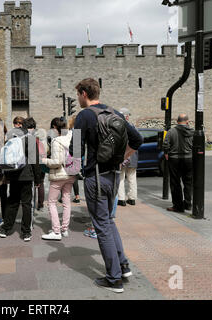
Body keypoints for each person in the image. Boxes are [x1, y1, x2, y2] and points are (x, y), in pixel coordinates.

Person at [70, 78, 143, 293]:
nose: (78, 99)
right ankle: (123, 265)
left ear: (84, 93)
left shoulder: (83, 116)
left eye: (78, 95)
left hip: (96, 177)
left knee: (101, 226)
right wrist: (122, 157)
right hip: (113, 175)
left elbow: (75, 150)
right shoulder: (114, 113)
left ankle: (114, 279)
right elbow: (137, 139)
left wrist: (73, 174)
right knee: (108, 221)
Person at [0, 117, 41, 242]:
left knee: (13, 201)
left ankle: (5, 228)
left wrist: (7, 175)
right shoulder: (30, 139)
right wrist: (38, 179)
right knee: (27, 204)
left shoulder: (13, 137)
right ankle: (26, 232)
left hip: (14, 174)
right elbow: (35, 161)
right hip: (27, 175)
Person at [41, 117, 75, 241]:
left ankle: (56, 231)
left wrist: (43, 160)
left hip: (59, 175)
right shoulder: (72, 137)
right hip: (71, 173)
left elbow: (56, 162)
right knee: (66, 201)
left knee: (52, 202)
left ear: (55, 127)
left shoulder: (57, 141)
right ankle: (64, 229)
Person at [163, 113, 194, 213]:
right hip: (189, 159)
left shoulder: (172, 131)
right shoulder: (192, 132)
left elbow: (165, 144)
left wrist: (166, 153)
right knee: (188, 182)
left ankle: (178, 206)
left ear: (177, 121)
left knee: (175, 183)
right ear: (187, 121)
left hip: (174, 159)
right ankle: (188, 204)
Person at [117, 108, 138, 207]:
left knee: (121, 178)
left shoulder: (118, 127)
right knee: (132, 178)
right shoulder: (133, 127)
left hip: (122, 156)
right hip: (132, 156)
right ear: (127, 116)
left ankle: (121, 199)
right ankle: (132, 198)